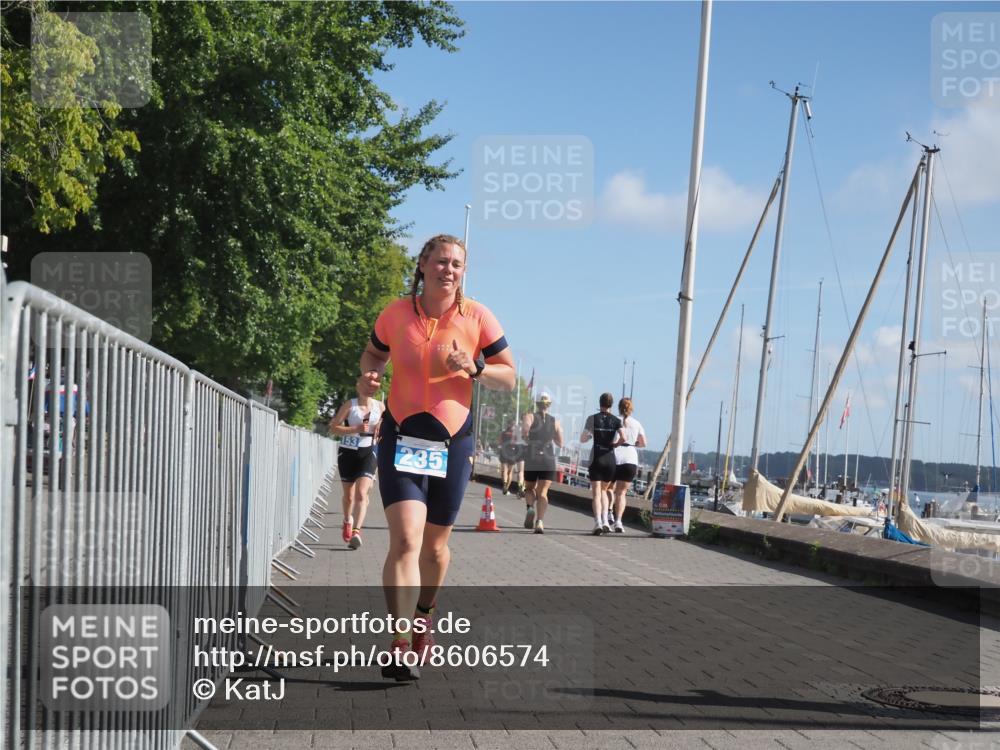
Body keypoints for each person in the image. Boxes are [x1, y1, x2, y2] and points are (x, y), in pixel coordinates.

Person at [360, 234, 515, 681]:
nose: (449, 269)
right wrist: (367, 378)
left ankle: (425, 612)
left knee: (435, 547)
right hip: (401, 435)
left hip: (453, 441)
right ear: (423, 264)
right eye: (442, 261)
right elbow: (374, 353)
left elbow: (508, 375)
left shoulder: (477, 316)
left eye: (458, 264)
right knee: (406, 541)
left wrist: (476, 367)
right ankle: (400, 643)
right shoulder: (395, 313)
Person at [328, 376, 384, 549]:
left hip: (368, 451)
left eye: (372, 386)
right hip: (348, 452)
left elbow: (385, 425)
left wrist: (382, 426)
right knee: (349, 496)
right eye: (365, 385)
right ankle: (347, 520)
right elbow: (334, 428)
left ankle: (356, 532)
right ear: (358, 386)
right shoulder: (350, 405)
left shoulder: (380, 406)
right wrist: (355, 429)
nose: (369, 388)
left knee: (361, 493)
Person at [521, 392, 564, 534]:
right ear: (549, 405)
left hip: (533, 456)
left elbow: (525, 431)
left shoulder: (530, 416)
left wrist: (528, 439)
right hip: (548, 457)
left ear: (537, 404)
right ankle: (539, 521)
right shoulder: (555, 421)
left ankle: (530, 508)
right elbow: (560, 443)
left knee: (529, 488)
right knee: (543, 492)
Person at [581, 392, 621, 535]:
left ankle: (597, 522)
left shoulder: (592, 419)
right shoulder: (616, 420)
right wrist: (616, 444)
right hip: (610, 458)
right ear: (612, 404)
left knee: (596, 493)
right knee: (604, 491)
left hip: (596, 458)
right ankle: (605, 521)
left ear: (600, 403)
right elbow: (625, 436)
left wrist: (591, 435)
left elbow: (583, 439)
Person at [611, 397, 646, 533]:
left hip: (614, 455)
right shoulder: (637, 424)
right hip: (630, 458)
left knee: (609, 489)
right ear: (631, 409)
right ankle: (618, 521)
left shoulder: (614, 420)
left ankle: (608, 515)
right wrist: (634, 443)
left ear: (618, 407)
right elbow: (643, 443)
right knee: (621, 493)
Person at [498, 420, 521, 495]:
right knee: (510, 472)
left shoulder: (503, 432)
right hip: (512, 452)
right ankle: (507, 488)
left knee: (504, 470)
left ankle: (504, 485)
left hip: (504, 451)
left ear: (508, 425)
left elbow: (500, 442)